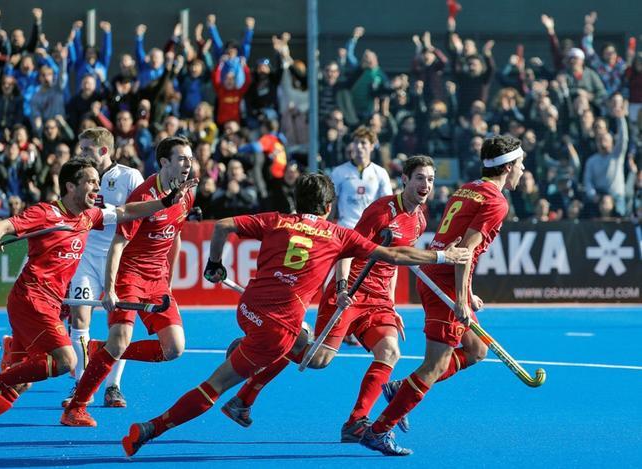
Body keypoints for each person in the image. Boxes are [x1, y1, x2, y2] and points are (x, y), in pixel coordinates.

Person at [119, 173, 470, 457]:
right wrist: (442, 258)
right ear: (330, 207)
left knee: (295, 338)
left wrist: (214, 265)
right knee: (220, 384)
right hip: (276, 329)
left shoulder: (276, 220)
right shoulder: (337, 234)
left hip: (247, 309)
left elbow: (223, 226)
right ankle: (150, 429)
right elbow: (395, 256)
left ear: (295, 201)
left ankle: (245, 374)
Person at [221, 156, 437, 442]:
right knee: (318, 359)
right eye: (420, 178)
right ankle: (246, 392)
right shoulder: (381, 212)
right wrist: (343, 287)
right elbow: (345, 250)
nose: (426, 185)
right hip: (351, 291)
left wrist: (391, 304)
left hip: (378, 299)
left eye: (431, 180)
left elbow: (396, 263)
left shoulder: (420, 219)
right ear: (405, 180)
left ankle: (356, 422)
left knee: (390, 352)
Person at [0, 158, 196, 425]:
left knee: (22, 382)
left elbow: (126, 211)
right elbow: (4, 225)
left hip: (52, 302)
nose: (98, 187)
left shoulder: (88, 216)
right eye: (92, 182)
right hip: (32, 300)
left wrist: (165, 202)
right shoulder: (46, 213)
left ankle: (11, 357)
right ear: (71, 187)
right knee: (65, 361)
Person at [360, 134, 525, 456]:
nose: (523, 170)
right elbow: (466, 250)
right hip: (447, 284)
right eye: (520, 164)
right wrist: (461, 298)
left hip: (443, 277)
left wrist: (468, 292)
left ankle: (400, 388)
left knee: (476, 350)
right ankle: (378, 430)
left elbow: (458, 243)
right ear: (507, 167)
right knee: (434, 365)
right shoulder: (496, 201)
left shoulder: (469, 188)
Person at [60, 136, 196, 427]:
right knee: (120, 339)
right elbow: (118, 244)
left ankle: (99, 349)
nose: (188, 163)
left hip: (157, 279)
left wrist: (168, 280)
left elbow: (176, 235)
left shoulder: (187, 194)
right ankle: (76, 408)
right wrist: (109, 288)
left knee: (174, 349)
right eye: (182, 158)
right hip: (130, 275)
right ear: (164, 163)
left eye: (190, 158)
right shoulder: (144, 197)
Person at [61, 128, 143, 409]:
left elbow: (141, 212)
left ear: (104, 151)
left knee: (118, 329)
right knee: (79, 318)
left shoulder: (130, 176)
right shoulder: (78, 176)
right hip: (86, 258)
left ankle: (113, 386)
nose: (81, 154)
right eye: (80, 149)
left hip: (120, 260)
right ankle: (82, 385)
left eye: (86, 150)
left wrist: (107, 208)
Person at [331, 125, 392, 345]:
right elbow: (332, 204)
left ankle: (357, 325)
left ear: (372, 146)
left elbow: (387, 206)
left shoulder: (379, 173)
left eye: (363, 143)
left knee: (363, 282)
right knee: (339, 281)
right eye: (355, 143)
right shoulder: (339, 172)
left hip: (369, 235)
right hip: (345, 231)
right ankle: (336, 326)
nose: (358, 147)